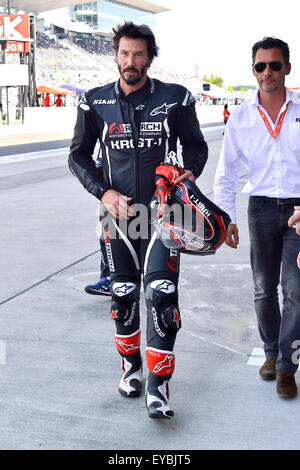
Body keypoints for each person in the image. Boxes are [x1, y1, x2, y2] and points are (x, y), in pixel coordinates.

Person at [68, 22, 208, 418]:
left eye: (139, 54)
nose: (131, 61)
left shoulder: (175, 97)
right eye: (125, 53)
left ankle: (159, 386)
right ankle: (131, 368)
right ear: (116, 55)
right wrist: (104, 193)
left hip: (166, 215)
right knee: (124, 296)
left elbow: (195, 147)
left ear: (150, 57)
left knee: (162, 296)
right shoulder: (94, 101)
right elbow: (77, 156)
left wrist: (187, 176)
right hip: (119, 218)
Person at [214, 37, 300, 399]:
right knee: (264, 289)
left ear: (287, 69)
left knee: (296, 290)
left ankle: (286, 366)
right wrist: (226, 217)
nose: (268, 72)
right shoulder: (241, 115)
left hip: (299, 210)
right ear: (254, 71)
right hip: (261, 209)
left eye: (275, 65)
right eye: (261, 66)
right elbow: (226, 171)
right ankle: (270, 352)